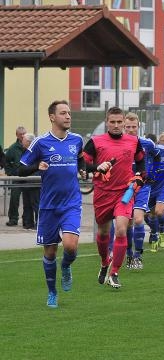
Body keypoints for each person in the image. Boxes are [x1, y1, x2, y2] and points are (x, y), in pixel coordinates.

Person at [19, 100, 85, 308]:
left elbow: (81, 158)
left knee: (70, 246)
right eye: (63, 113)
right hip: (48, 206)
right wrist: (36, 166)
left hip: (71, 203)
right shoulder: (40, 142)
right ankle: (52, 292)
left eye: (69, 113)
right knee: (49, 252)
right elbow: (21, 169)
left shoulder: (77, 140)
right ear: (52, 117)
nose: (68, 116)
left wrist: (84, 169)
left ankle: (66, 267)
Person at [83, 106, 146, 289]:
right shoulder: (95, 142)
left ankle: (115, 272)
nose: (117, 125)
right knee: (103, 232)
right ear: (107, 122)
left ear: (124, 122)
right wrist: (96, 167)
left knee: (120, 230)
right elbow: (84, 164)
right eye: (113, 122)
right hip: (102, 193)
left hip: (124, 193)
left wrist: (140, 176)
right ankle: (105, 262)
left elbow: (141, 160)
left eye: (120, 122)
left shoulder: (134, 141)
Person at [123, 113, 160, 269]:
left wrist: (152, 173)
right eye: (128, 127)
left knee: (138, 219)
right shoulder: (119, 143)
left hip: (143, 186)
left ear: (139, 127)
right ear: (124, 127)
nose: (131, 130)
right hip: (124, 187)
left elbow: (157, 157)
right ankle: (129, 255)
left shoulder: (147, 143)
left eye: (134, 127)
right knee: (127, 223)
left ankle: (138, 255)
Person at [5, 126, 27, 226]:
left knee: (29, 201)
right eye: (20, 134)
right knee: (14, 200)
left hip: (29, 178)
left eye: (24, 134)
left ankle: (27, 220)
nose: (22, 136)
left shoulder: (30, 147)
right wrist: (10, 173)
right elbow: (6, 161)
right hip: (16, 178)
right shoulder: (12, 148)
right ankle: (13, 219)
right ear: (17, 135)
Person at [21, 133, 40, 230]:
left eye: (23, 140)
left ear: (29, 142)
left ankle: (38, 225)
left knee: (36, 204)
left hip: (35, 182)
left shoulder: (36, 151)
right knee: (27, 204)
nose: (22, 142)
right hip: (26, 181)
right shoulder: (25, 151)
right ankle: (28, 224)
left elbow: (37, 167)